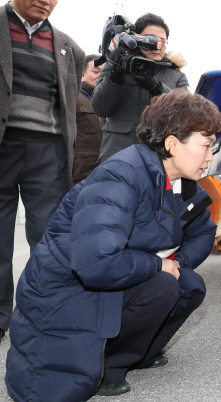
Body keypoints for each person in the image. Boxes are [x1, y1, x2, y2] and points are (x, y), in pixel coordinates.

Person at [5, 89, 221, 402]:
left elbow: (204, 229)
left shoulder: (174, 180)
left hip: (97, 281)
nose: (210, 157)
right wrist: (156, 265)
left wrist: (176, 264)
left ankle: (131, 355)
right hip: (64, 293)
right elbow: (95, 263)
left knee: (188, 284)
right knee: (163, 284)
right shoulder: (121, 176)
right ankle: (105, 365)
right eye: (205, 146)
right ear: (173, 144)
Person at [0, 0, 85, 345]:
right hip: (4, 143)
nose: (46, 0)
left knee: (49, 239)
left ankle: (46, 312)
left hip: (48, 149)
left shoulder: (69, 47)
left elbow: (67, 102)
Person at [93, 12, 189, 163]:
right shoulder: (116, 65)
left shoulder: (177, 76)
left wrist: (157, 88)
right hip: (116, 154)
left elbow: (185, 115)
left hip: (158, 158)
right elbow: (100, 109)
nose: (156, 45)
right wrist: (116, 76)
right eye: (149, 40)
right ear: (136, 39)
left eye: (162, 41)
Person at [73, 54, 105, 184]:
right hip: (79, 174)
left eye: (104, 72)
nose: (100, 76)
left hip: (100, 172)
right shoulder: (74, 98)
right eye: (95, 71)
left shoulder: (106, 102)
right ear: (82, 74)